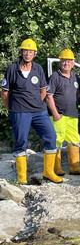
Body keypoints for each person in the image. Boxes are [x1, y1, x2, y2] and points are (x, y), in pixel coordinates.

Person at [1, 38, 62, 184]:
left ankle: (48, 172)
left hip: (39, 111)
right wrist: (12, 108)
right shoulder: (12, 69)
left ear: (34, 53)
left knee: (51, 136)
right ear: (21, 52)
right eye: (25, 51)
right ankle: (21, 178)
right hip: (19, 111)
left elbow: (43, 91)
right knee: (21, 142)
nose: (28, 54)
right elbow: (4, 93)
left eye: (31, 51)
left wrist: (35, 103)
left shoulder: (38, 69)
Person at [46, 48, 80, 176]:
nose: (67, 63)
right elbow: (49, 97)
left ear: (73, 63)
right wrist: (55, 114)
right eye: (64, 61)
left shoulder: (75, 77)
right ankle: (56, 168)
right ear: (60, 62)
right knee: (57, 140)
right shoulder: (54, 77)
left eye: (69, 61)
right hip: (59, 115)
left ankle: (75, 167)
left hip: (73, 114)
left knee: (75, 140)